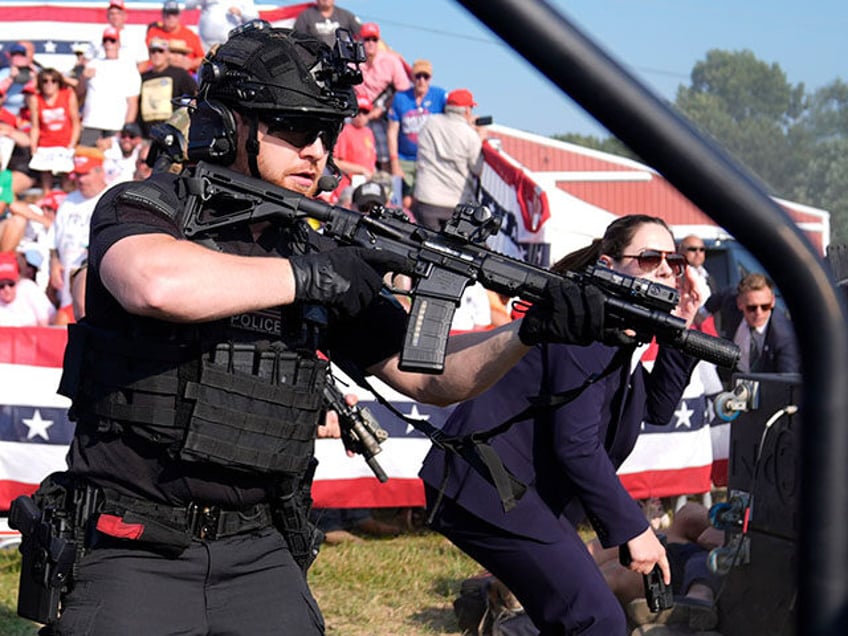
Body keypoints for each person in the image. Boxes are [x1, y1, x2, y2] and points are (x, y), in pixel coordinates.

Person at [20, 22, 606, 634]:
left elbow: (431, 378)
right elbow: (155, 284)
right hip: (132, 545)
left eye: (327, 134)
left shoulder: (314, 249)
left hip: (260, 552)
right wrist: (314, 276)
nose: (316, 151)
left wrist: (530, 332)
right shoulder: (148, 205)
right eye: (295, 128)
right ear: (227, 126)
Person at [420, 214, 701, 636]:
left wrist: (685, 326)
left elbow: (656, 408)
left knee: (580, 616)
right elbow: (576, 444)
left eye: (672, 261)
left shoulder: (617, 332)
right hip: (485, 485)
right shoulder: (585, 328)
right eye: (649, 258)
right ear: (609, 266)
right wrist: (634, 529)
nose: (665, 269)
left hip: (511, 492)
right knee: (596, 619)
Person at [588, 502, 723, 634]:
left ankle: (576, 598)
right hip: (681, 547)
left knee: (615, 572)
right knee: (687, 513)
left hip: (694, 565)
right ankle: (573, 581)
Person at [412, 88, 485, 231]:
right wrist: (480, 136)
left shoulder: (430, 123)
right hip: (455, 204)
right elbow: (478, 169)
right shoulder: (470, 135)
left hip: (426, 198)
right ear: (467, 111)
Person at [48, 146, 109, 312]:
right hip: (65, 275)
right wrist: (54, 263)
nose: (80, 180)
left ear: (100, 172)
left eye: (85, 174)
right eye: (78, 175)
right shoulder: (68, 201)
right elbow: (52, 240)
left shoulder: (110, 199)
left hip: (93, 275)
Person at [705, 272, 800, 375]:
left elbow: (787, 381)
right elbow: (718, 298)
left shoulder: (784, 337)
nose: (759, 313)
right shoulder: (731, 302)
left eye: (765, 307)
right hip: (732, 371)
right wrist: (701, 314)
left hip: (766, 381)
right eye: (752, 308)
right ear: (740, 304)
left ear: (772, 301)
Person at [387, 59, 447, 209]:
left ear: (430, 78)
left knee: (422, 200)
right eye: (418, 76)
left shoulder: (439, 96)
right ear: (412, 78)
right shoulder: (401, 98)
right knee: (402, 201)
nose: (421, 80)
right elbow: (392, 130)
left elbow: (455, 113)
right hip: (404, 159)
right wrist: (394, 161)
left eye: (425, 77)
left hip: (428, 159)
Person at [353, 22, 410, 171]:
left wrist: (384, 107)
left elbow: (403, 90)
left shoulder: (391, 61)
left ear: (379, 41)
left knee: (385, 153)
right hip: (357, 112)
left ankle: (386, 182)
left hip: (382, 113)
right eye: (367, 39)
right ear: (360, 40)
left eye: (374, 39)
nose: (370, 43)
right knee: (345, 140)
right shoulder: (352, 62)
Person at [80, 27, 141, 146]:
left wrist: (126, 129)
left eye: (112, 41)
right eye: (106, 41)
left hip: (116, 125)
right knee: (86, 160)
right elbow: (79, 93)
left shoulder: (129, 67)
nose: (109, 44)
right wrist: (83, 78)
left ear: (119, 44)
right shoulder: (93, 64)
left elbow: (132, 102)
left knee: (113, 162)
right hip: (91, 123)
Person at [27, 68, 81, 192]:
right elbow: (35, 126)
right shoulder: (36, 99)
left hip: (65, 143)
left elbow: (75, 122)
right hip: (45, 143)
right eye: (45, 81)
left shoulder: (68, 94)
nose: (49, 84)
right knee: (46, 185)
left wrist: (72, 144)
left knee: (67, 182)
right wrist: (33, 147)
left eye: (54, 81)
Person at [138, 37, 198, 137]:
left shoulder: (179, 73)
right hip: (146, 132)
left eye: (160, 51)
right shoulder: (143, 77)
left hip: (171, 132)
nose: (156, 55)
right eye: (153, 51)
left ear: (167, 54)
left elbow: (196, 93)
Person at [331, 95, 377, 198]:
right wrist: (361, 169)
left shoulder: (368, 132)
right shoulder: (345, 131)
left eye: (365, 112)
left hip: (365, 185)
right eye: (358, 112)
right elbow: (336, 162)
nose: (361, 116)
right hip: (347, 186)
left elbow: (372, 161)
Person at [146, 0, 206, 72]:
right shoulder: (153, 33)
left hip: (185, 77)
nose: (171, 17)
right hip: (160, 75)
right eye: (168, 14)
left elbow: (202, 59)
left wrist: (191, 64)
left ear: (179, 16)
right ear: (162, 15)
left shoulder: (190, 35)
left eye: (174, 14)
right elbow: (145, 57)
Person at [0, 250, 56, 326]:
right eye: (1, 286)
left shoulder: (28, 288)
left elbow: (47, 322)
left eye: (11, 284)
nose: (7, 289)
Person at [185, 0, 260, 49]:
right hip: (205, 43)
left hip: (229, 43)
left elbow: (254, 17)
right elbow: (188, 5)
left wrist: (240, 13)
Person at [292, 0, 362, 48]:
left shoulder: (346, 15)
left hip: (341, 60)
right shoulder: (305, 16)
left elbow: (362, 35)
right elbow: (297, 39)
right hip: (315, 61)